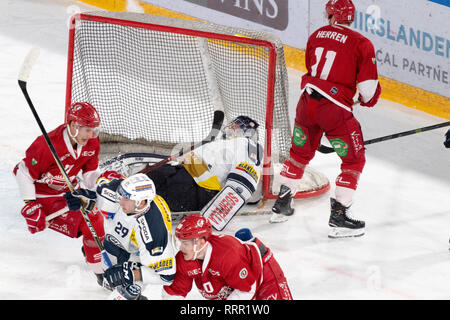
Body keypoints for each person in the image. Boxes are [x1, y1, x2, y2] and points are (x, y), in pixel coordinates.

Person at [270, 0, 381, 238]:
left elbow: (314, 68)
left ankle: (281, 204)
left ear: (331, 15)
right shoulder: (363, 43)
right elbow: (369, 90)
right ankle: (339, 216)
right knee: (353, 161)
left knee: (299, 154)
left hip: (306, 104)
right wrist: (365, 99)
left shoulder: (317, 35)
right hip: (335, 111)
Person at [13, 102, 107, 283]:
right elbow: (22, 172)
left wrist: (101, 182)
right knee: (93, 222)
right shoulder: (46, 145)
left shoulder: (91, 142)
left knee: (95, 217)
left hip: (68, 192)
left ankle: (96, 263)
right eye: (87, 129)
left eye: (94, 129)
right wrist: (30, 204)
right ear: (72, 125)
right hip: (43, 197)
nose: (91, 135)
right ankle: (101, 273)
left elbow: (89, 175)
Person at [64, 173, 177, 300]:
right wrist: (86, 198)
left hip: (137, 257)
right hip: (114, 243)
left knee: (124, 295)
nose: (120, 200)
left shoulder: (154, 234)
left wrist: (132, 274)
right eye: (121, 194)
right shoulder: (120, 191)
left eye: (126, 198)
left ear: (140, 203)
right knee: (107, 279)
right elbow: (99, 191)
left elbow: (166, 277)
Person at [147, 115, 263, 230]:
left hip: (195, 189)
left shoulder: (247, 144)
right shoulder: (221, 143)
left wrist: (216, 213)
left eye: (235, 126)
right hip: (181, 175)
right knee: (149, 178)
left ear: (246, 132)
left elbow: (244, 181)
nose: (230, 127)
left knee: (148, 191)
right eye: (232, 124)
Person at [162, 214, 292, 300]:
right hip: (231, 287)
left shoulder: (227, 255)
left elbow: (247, 289)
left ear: (201, 242)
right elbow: (175, 291)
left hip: (263, 275)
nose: (180, 248)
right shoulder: (184, 258)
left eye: (185, 243)